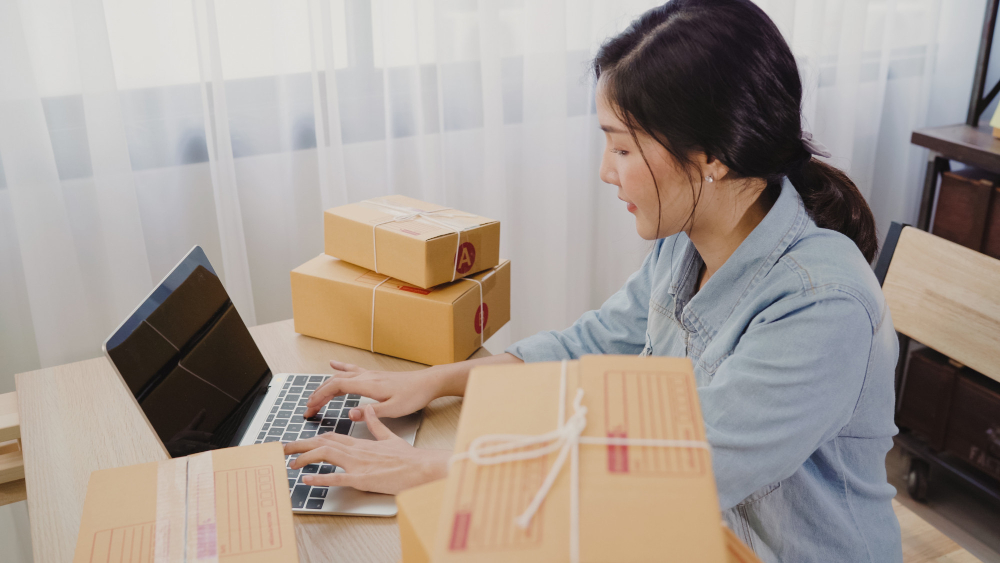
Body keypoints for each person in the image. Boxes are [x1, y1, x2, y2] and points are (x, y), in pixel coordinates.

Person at [285, 0, 903, 560]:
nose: (606, 172)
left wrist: (428, 469)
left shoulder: (824, 305)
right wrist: (435, 382)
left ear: (713, 156)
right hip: (689, 533)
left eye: (624, 149)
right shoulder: (687, 245)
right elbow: (589, 345)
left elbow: (682, 473)